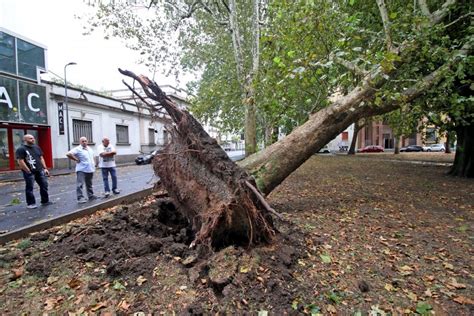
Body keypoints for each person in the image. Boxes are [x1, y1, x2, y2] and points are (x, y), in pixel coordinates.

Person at [15, 134, 53, 209]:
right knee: (30, 188)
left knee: (44, 185)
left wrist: (45, 168)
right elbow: (20, 161)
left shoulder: (37, 147)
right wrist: (27, 170)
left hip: (39, 170)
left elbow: (41, 158)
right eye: (30, 138)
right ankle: (31, 203)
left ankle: (45, 201)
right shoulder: (21, 149)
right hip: (30, 172)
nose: (33, 139)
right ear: (25, 140)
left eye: (33, 138)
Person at [66, 137, 96, 203]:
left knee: (89, 184)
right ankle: (80, 198)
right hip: (81, 169)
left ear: (87, 141)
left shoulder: (89, 149)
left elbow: (93, 156)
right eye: (83, 141)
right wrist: (76, 159)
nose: (84, 142)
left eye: (85, 141)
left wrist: (94, 163)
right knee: (80, 184)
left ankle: (91, 196)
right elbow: (68, 154)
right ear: (80, 142)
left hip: (90, 169)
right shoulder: (78, 149)